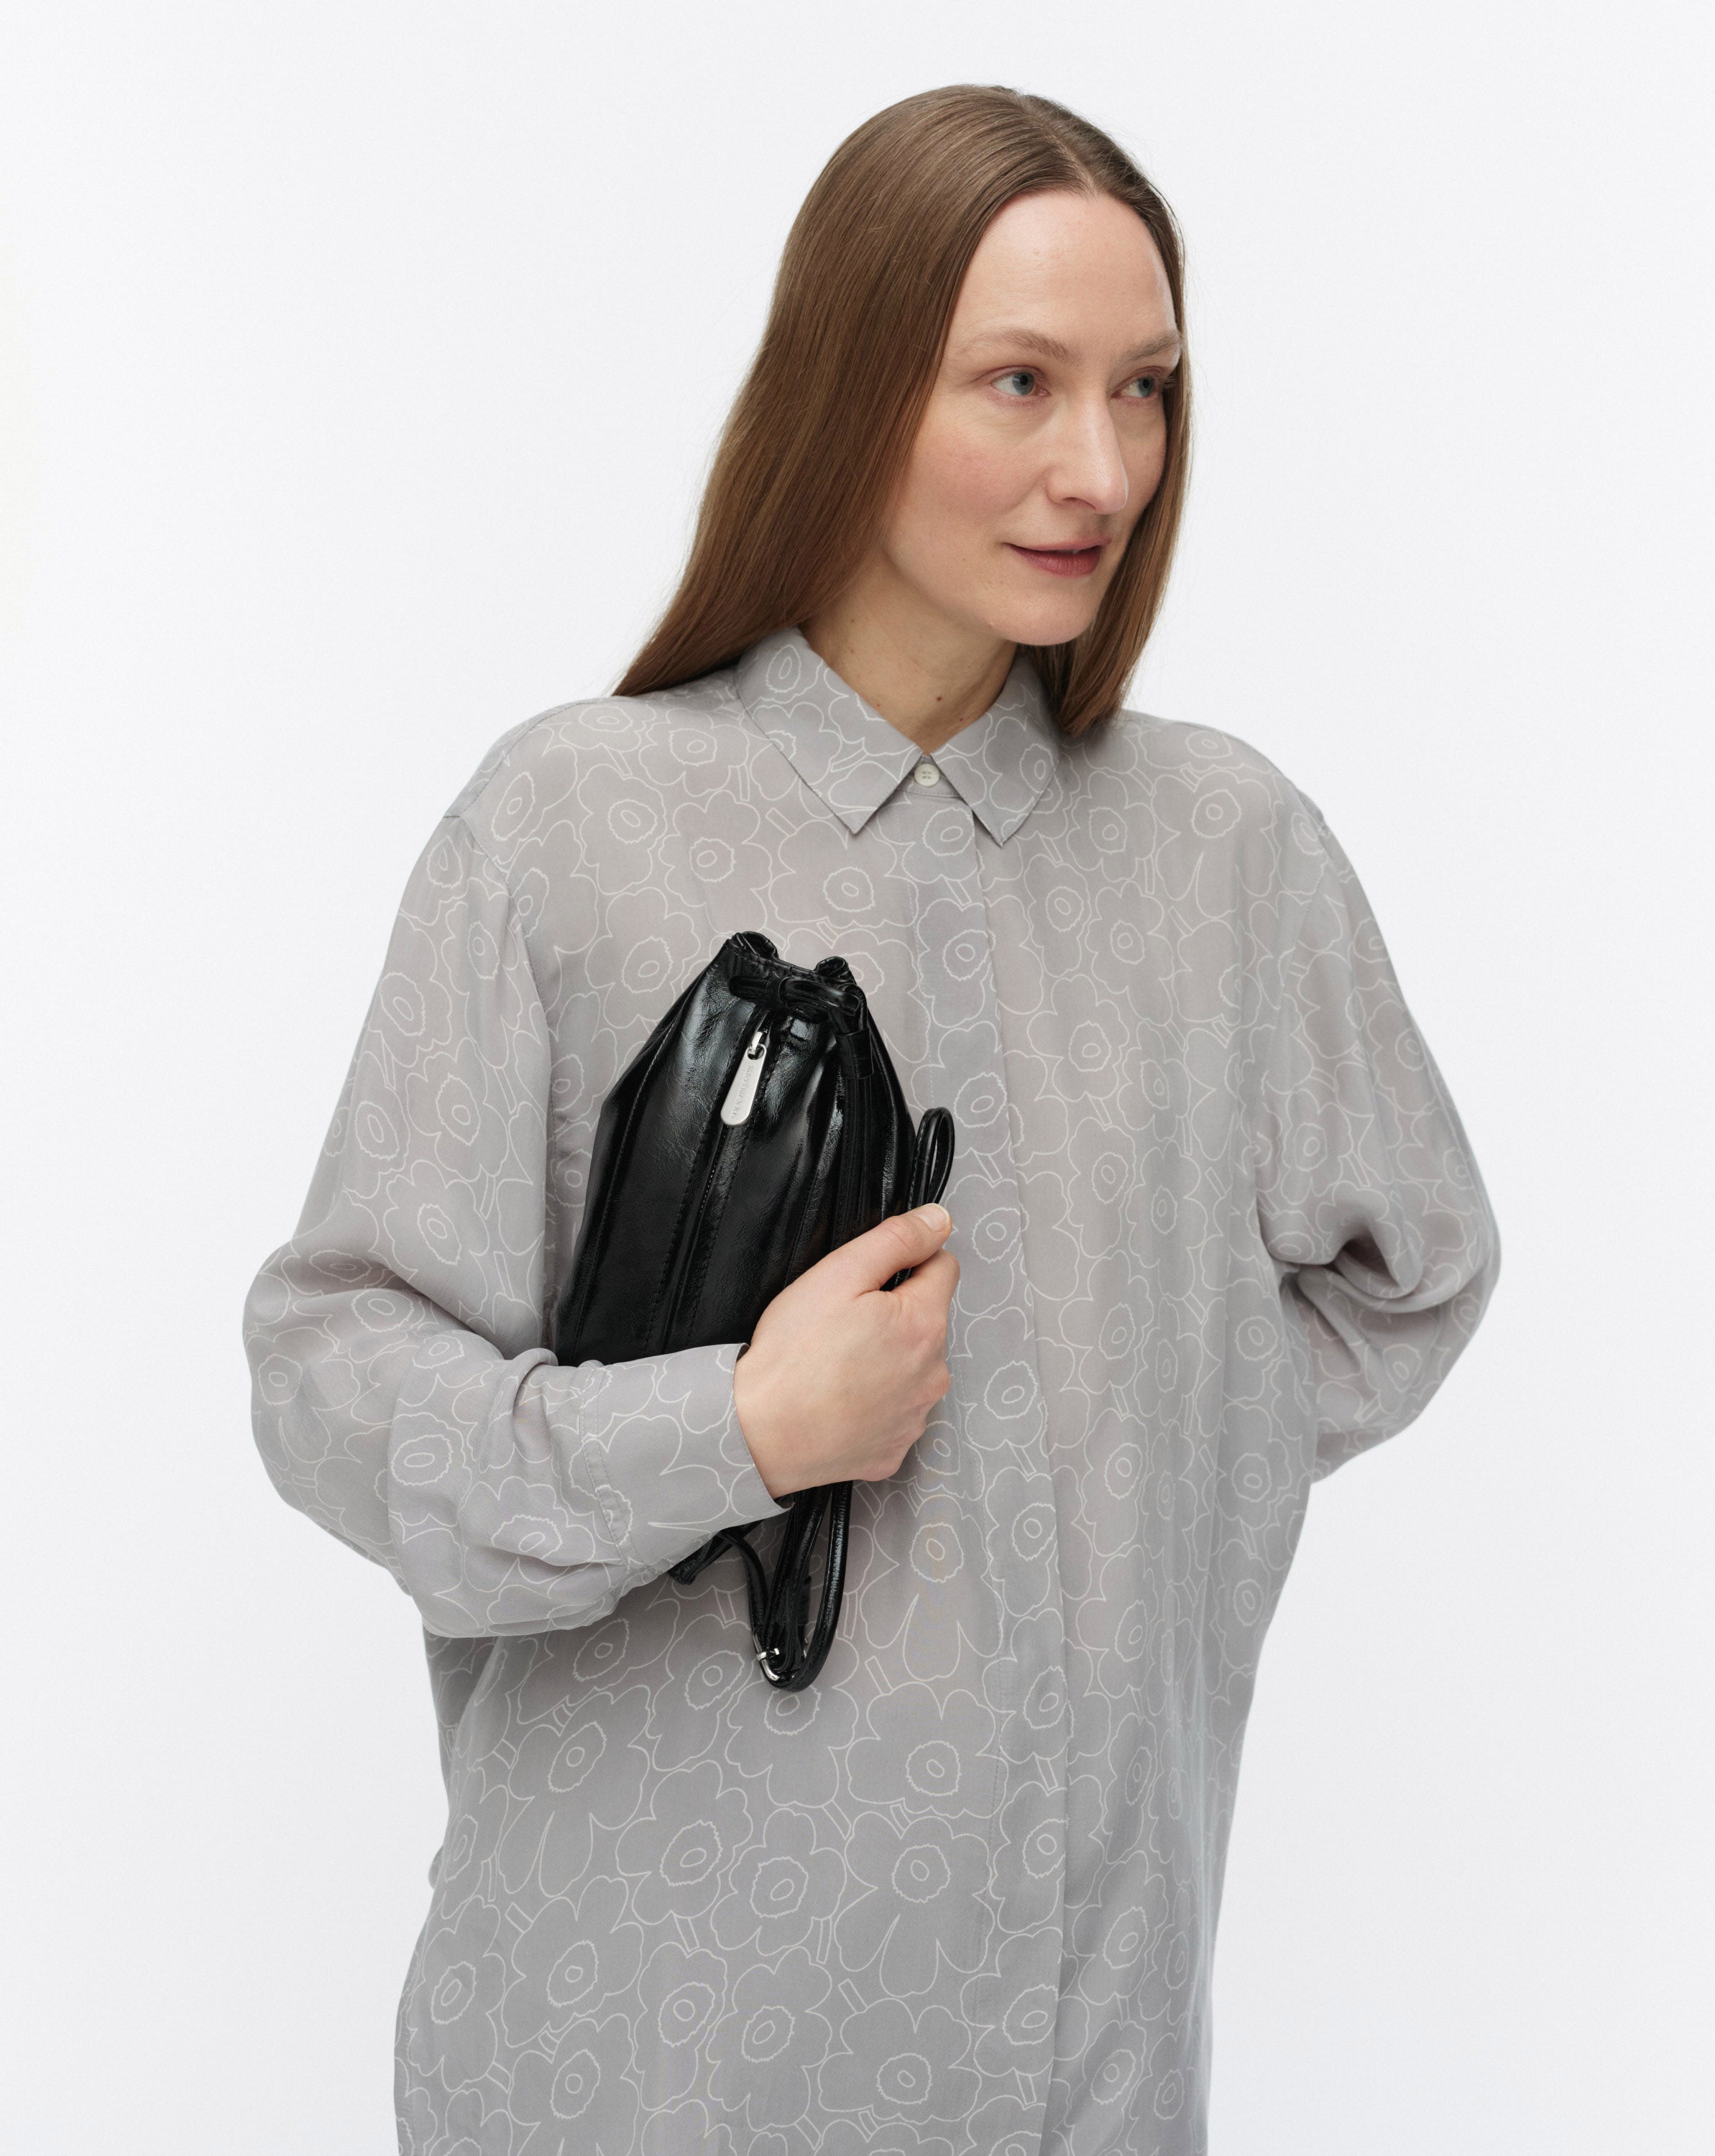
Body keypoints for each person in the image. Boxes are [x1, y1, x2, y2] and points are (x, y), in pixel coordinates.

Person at [244, 83, 1499, 2156]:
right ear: (849, 383)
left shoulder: (1229, 855)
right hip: (633, 2053)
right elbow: (331, 1386)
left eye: (1145, 388)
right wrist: (734, 1426)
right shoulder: (571, 824)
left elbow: (1413, 1271)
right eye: (1021, 382)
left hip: (1075, 2058)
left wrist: (1127, 1445)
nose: (1103, 468)